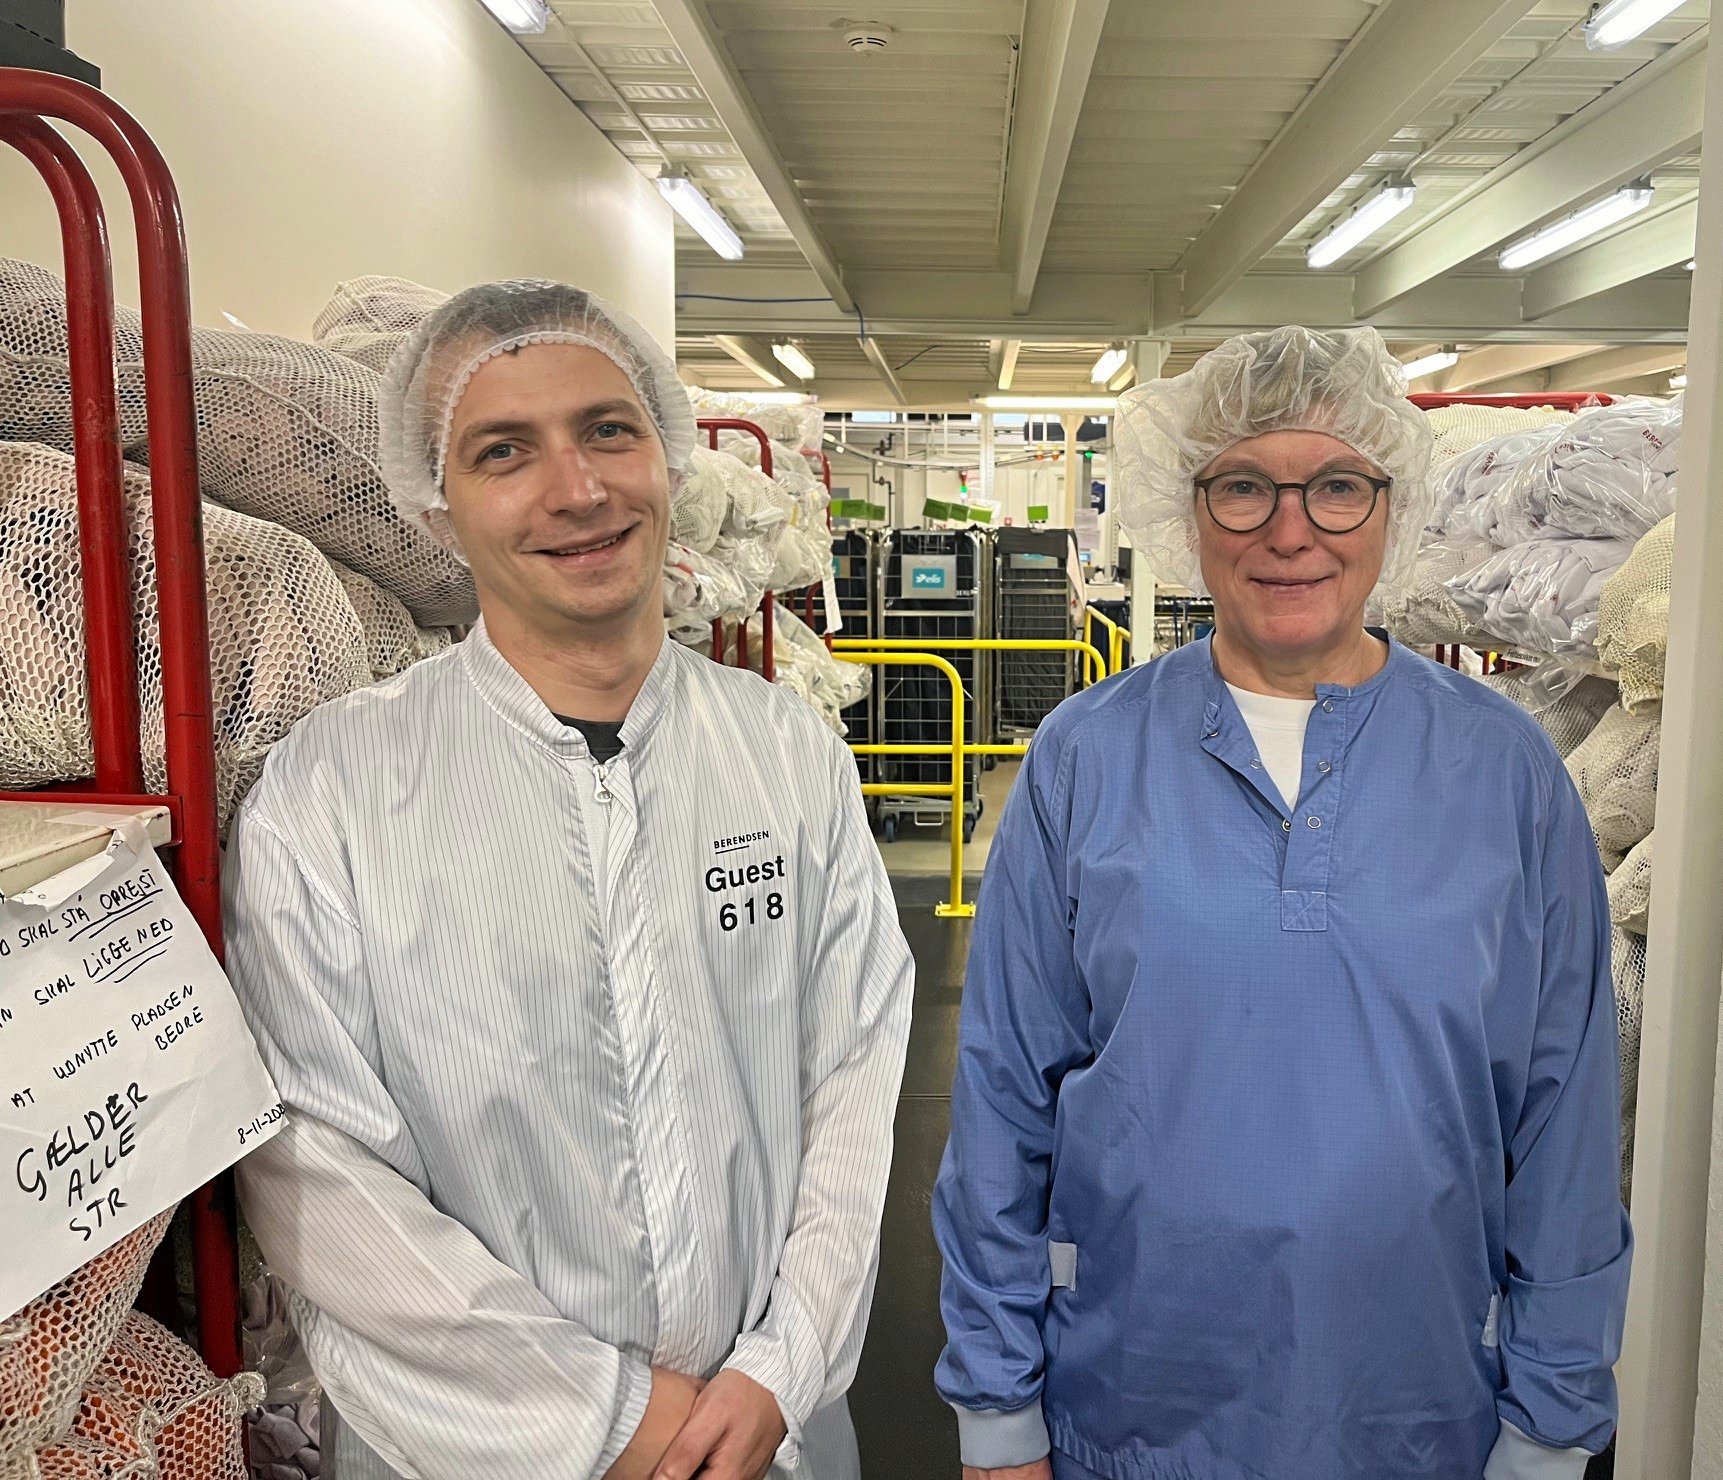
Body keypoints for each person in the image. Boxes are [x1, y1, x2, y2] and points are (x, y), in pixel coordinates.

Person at [226, 280, 914, 1480]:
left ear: (666, 455)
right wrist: (607, 1415)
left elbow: (854, 1072)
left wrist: (781, 1365)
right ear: (435, 508)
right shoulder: (334, 788)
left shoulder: (784, 750)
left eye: (608, 429)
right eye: (505, 451)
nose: (580, 489)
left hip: (765, 1435)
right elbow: (314, 1170)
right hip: (480, 1449)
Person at [932, 327, 1631, 1480]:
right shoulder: (1085, 759)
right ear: (1187, 506)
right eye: (1245, 486)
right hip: (1134, 1404)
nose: (1290, 530)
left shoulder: (1505, 774)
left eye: (1337, 487)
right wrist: (998, 1411)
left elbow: (1564, 1119)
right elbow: (1004, 1103)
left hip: (1418, 1408)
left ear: (1390, 505)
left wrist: (1554, 1422)